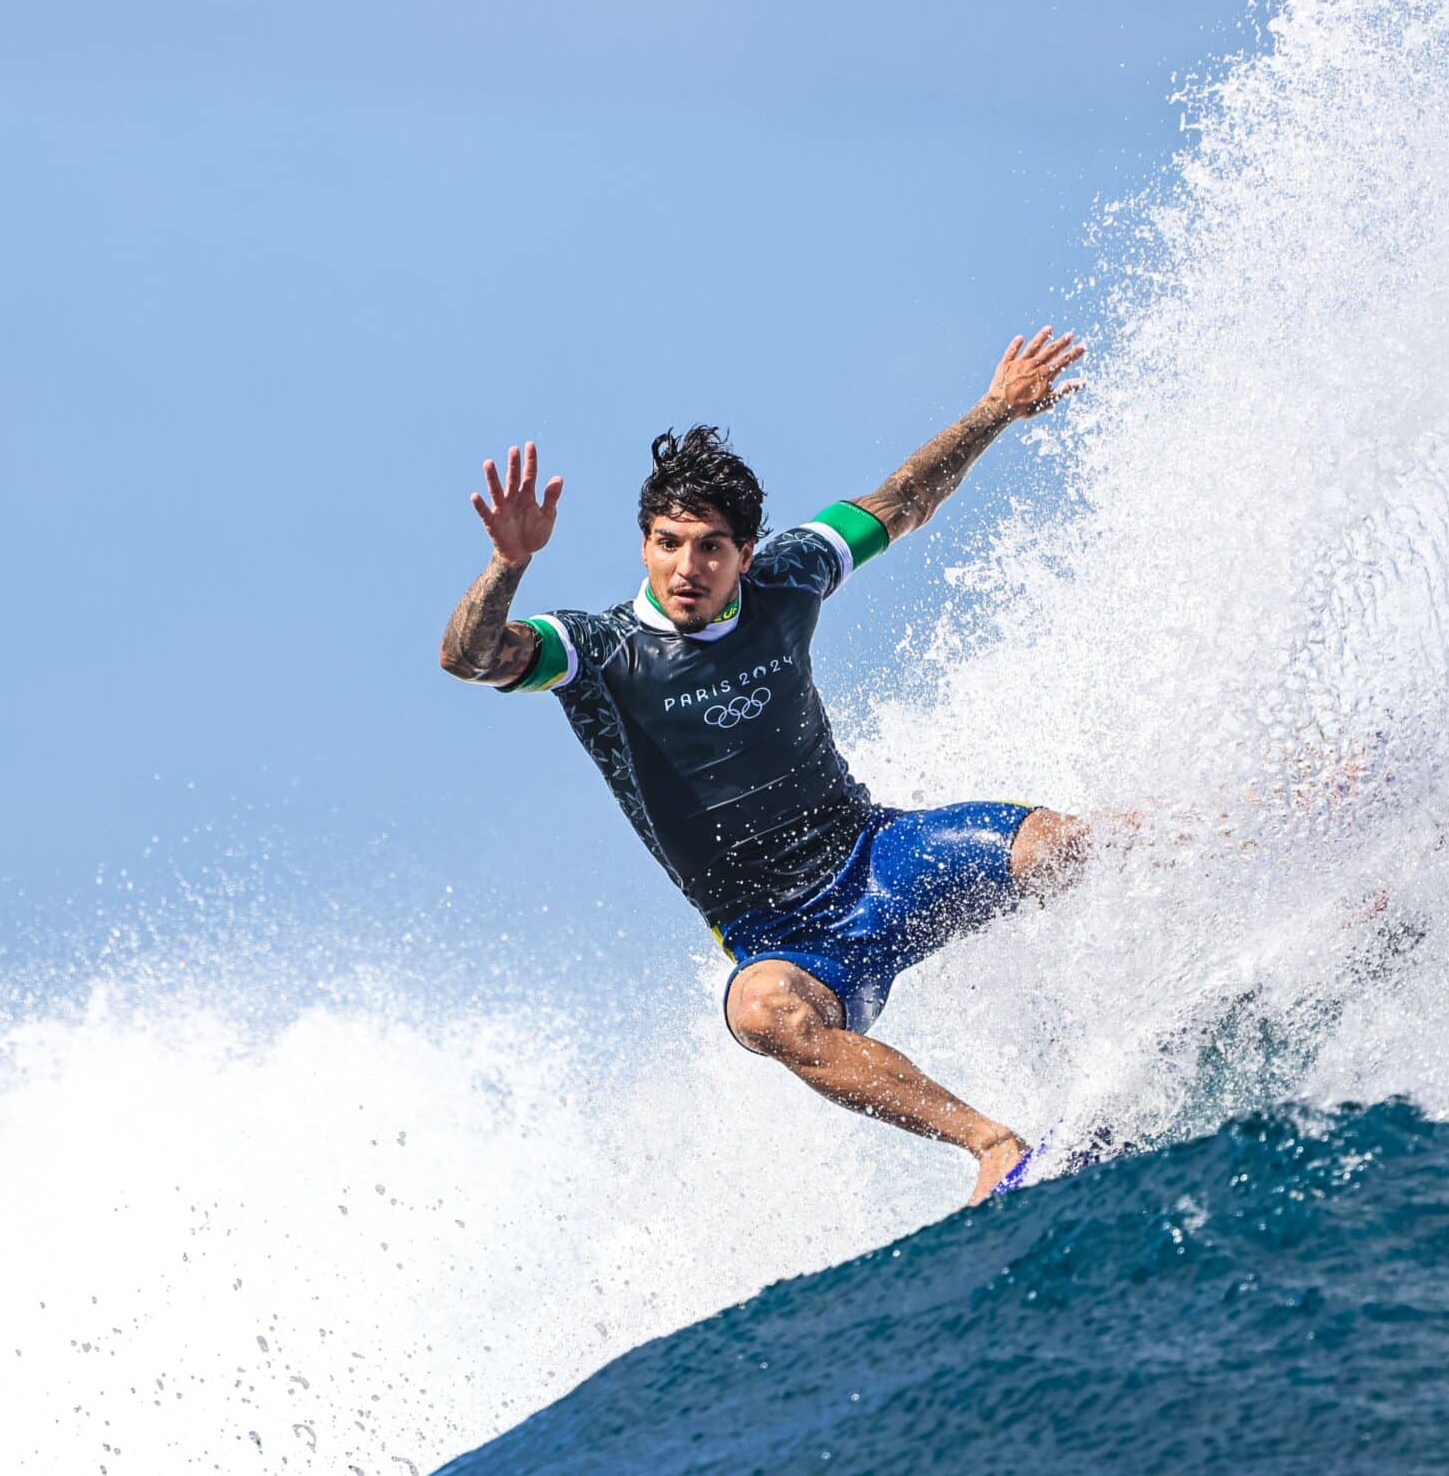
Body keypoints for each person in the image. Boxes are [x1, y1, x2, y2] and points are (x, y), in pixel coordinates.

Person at [439, 328, 1091, 1203]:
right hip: (783, 942)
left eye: (711, 547)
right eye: (669, 542)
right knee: (760, 1011)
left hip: (877, 859)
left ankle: (1270, 836)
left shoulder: (790, 577)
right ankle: (994, 1146)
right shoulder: (595, 652)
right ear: (643, 544)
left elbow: (903, 498)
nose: (687, 566)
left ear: (746, 553)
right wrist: (507, 565)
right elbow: (470, 657)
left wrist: (995, 409)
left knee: (1057, 844)